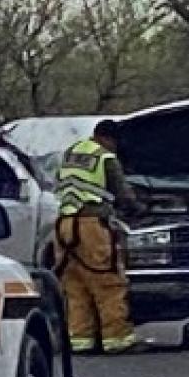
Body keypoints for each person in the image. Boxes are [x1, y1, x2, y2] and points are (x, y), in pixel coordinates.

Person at [53, 121, 136, 354]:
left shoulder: (71, 152)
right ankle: (116, 339)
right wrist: (136, 207)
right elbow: (122, 194)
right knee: (107, 283)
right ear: (109, 139)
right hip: (91, 226)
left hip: (64, 225)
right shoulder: (105, 158)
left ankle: (80, 340)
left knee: (75, 285)